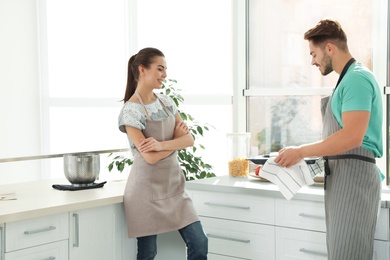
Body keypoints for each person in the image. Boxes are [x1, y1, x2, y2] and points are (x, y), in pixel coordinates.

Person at [274, 19, 383, 260]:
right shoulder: (347, 79)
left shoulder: (357, 79)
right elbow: (340, 139)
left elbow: (353, 136)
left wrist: (301, 151)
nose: (312, 60)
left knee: (349, 254)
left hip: (354, 179)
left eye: (314, 53)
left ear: (330, 48)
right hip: (343, 177)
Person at [118, 47, 208, 260]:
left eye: (165, 69)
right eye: (160, 69)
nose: (165, 75)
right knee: (149, 253)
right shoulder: (130, 111)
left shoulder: (167, 102)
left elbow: (190, 139)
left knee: (199, 242)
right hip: (145, 192)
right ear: (142, 69)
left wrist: (160, 145)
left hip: (174, 187)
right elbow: (149, 158)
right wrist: (174, 142)